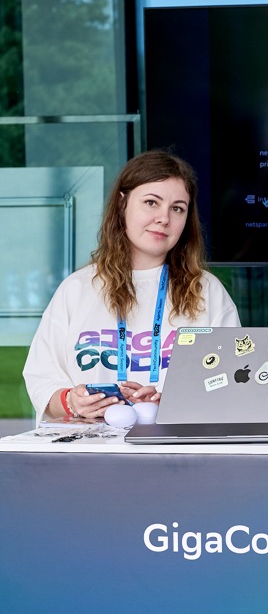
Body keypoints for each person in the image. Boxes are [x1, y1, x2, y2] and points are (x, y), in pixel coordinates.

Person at [24, 150, 240, 422]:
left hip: (177, 445)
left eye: (177, 208)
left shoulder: (207, 292)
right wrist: (72, 402)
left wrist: (172, 402)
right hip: (90, 444)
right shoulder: (77, 289)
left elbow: (231, 382)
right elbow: (41, 382)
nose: (164, 218)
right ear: (122, 204)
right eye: (151, 202)